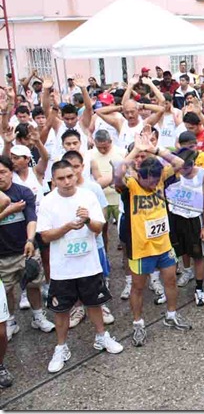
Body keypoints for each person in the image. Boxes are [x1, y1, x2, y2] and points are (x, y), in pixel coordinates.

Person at [37, 160, 123, 374]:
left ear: (76, 174)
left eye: (69, 176)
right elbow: (45, 236)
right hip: (62, 268)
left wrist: (86, 221)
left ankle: (102, 336)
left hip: (89, 265)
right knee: (61, 310)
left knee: (94, 304)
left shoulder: (88, 196)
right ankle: (61, 347)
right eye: (60, 178)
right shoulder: (48, 202)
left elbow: (98, 228)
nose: (66, 182)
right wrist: (66, 227)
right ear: (53, 180)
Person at [116, 133, 192, 347]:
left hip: (163, 244)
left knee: (170, 279)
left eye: (155, 182)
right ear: (139, 176)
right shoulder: (131, 184)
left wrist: (155, 149)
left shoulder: (159, 179)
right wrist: (135, 150)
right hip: (141, 249)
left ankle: (171, 315)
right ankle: (138, 324)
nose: (152, 186)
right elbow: (116, 174)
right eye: (148, 182)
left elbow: (179, 162)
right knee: (138, 287)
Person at [0, 155, 54, 340]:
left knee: (33, 284)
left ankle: (38, 316)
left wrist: (30, 240)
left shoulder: (23, 192)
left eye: (3, 172)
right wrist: (8, 210)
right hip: (2, 255)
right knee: (6, 291)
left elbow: (32, 218)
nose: (0, 176)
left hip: (25, 249)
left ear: (10, 172)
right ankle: (10, 321)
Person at [61, 151, 115, 328]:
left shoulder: (93, 188)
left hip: (94, 243)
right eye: (68, 167)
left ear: (82, 167)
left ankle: (101, 305)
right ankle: (78, 307)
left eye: (76, 166)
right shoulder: (58, 191)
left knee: (98, 277)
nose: (73, 172)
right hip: (71, 244)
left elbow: (104, 214)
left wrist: (93, 225)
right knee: (75, 278)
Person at [166, 148, 204, 306]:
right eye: (184, 166)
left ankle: (199, 289)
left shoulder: (202, 174)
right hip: (175, 218)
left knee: (198, 256)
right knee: (180, 253)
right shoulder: (172, 173)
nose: (187, 169)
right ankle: (186, 272)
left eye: (190, 165)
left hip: (194, 219)